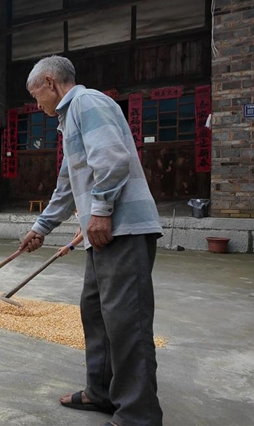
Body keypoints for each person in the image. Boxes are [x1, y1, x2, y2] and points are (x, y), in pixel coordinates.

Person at [18, 56, 163, 426]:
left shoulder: (88, 103)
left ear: (50, 82)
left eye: (37, 97)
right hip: (103, 235)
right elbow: (66, 187)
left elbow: (113, 160)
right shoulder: (69, 121)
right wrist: (41, 228)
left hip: (122, 228)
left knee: (127, 321)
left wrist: (99, 210)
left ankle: (138, 415)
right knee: (96, 313)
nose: (38, 105)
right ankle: (101, 392)